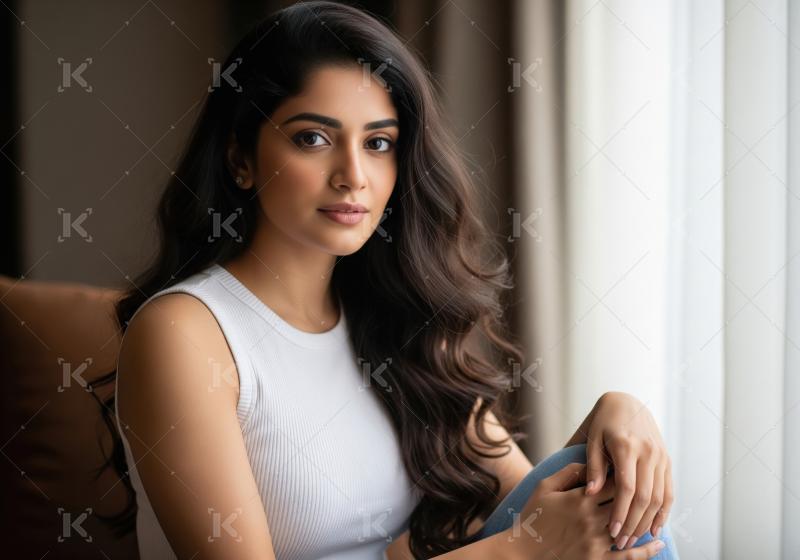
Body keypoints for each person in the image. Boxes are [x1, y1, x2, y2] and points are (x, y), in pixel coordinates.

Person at [91, 2, 680, 558]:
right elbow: (531, 537)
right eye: (313, 138)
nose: (353, 176)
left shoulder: (389, 315)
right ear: (240, 158)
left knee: (615, 503)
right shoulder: (186, 332)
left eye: (378, 144)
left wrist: (618, 414)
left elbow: (541, 503)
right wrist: (523, 548)